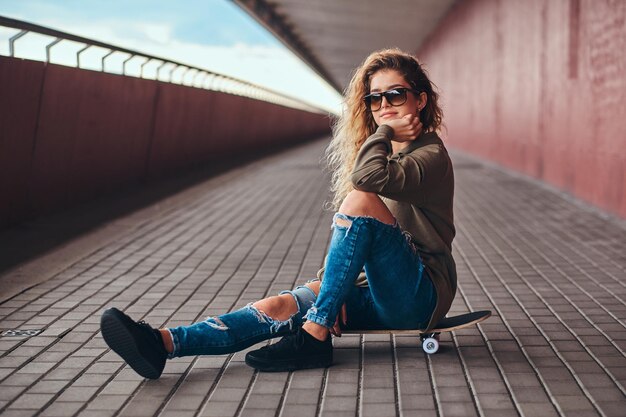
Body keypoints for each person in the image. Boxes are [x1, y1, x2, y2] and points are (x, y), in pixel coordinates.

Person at [100, 48, 456, 379]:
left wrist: (381, 133)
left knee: (360, 200)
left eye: (395, 95)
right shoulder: (385, 154)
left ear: (420, 99)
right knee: (279, 305)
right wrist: (329, 290)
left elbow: (365, 181)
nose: (384, 106)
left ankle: (314, 334)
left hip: (418, 296)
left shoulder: (431, 157)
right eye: (374, 99)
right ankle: (163, 344)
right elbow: (361, 237)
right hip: (374, 291)